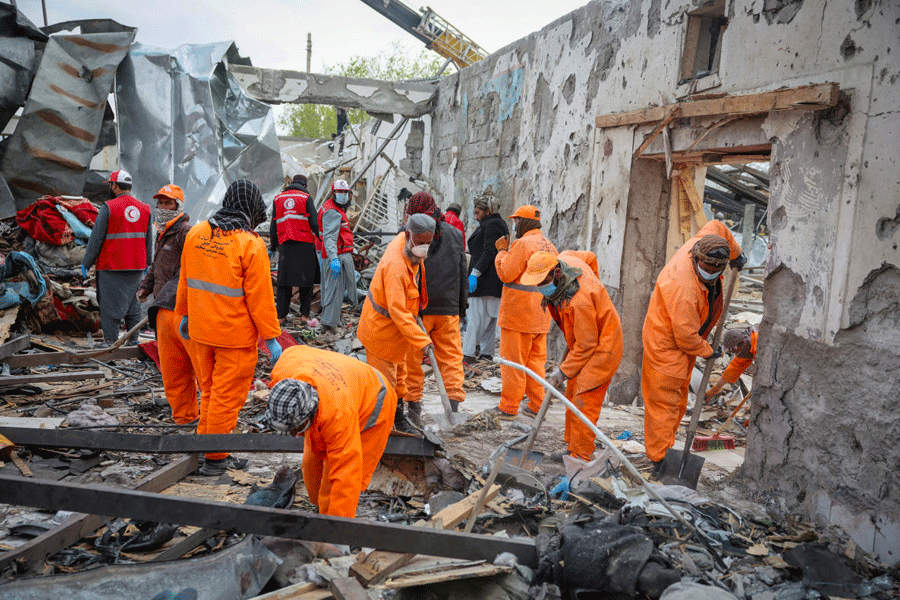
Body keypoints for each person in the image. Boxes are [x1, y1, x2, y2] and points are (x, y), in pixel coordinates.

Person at [175, 180, 282, 476]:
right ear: (250, 208)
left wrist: (183, 315)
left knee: (208, 393)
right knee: (225, 399)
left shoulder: (196, 232)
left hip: (199, 332)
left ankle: (205, 449)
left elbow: (185, 280)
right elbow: (261, 299)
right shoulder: (249, 244)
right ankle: (216, 459)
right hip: (233, 338)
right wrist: (272, 337)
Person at [641, 220, 744, 472]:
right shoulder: (684, 289)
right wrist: (709, 351)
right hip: (667, 345)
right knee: (664, 404)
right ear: (696, 256)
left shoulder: (707, 240)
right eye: (705, 266)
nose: (709, 271)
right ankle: (659, 458)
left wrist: (737, 254)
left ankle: (667, 446)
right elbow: (685, 337)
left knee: (678, 402)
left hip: (683, 340)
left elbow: (717, 225)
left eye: (716, 268)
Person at [266, 345, 397, 518]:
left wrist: (336, 530)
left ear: (309, 414)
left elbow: (346, 476)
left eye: (295, 429)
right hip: (345, 381)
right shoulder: (283, 374)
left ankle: (332, 524)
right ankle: (319, 509)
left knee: (336, 478)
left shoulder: (337, 416)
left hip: (375, 400)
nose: (293, 435)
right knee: (310, 465)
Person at [520, 250, 623, 461]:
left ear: (557, 272)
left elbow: (587, 345)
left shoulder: (580, 301)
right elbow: (590, 256)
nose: (540, 287)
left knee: (584, 399)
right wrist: (597, 286)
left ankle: (580, 455)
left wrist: (562, 371)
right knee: (572, 392)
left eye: (543, 281)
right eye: (536, 283)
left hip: (603, 346)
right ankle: (571, 446)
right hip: (583, 339)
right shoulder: (567, 258)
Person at [356, 213, 435, 430]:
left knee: (400, 378)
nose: (424, 248)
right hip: (380, 333)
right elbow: (398, 312)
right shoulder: (396, 267)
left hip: (395, 334)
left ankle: (399, 421)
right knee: (385, 386)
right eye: (420, 243)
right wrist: (423, 341)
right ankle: (381, 429)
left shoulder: (408, 248)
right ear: (409, 235)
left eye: (428, 243)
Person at [401, 193, 467, 429]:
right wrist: (461, 307)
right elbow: (461, 269)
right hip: (448, 308)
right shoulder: (455, 233)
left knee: (413, 360)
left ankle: (413, 411)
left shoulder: (410, 233)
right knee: (451, 358)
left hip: (420, 309)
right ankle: (454, 411)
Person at [136, 185, 197, 424]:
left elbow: (187, 271)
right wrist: (146, 286)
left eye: (168, 203)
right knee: (173, 372)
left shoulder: (185, 232)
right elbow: (156, 265)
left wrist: (167, 296)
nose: (162, 208)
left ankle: (212, 423)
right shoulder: (163, 232)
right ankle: (184, 418)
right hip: (162, 310)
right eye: (160, 203)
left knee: (196, 369)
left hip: (181, 310)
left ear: (178, 207)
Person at [490, 204, 557, 419]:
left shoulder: (522, 244)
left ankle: (508, 407)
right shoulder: (549, 245)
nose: (514, 224)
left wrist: (501, 251)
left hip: (518, 314)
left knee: (513, 363)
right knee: (535, 363)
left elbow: (506, 274)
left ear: (524, 222)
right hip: (541, 315)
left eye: (517, 221)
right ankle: (538, 406)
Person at [81, 170, 152, 344]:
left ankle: (111, 344)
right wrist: (148, 263)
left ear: (114, 185)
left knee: (110, 309)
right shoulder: (145, 208)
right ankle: (134, 342)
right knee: (134, 307)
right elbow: (148, 239)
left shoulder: (108, 207)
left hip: (112, 267)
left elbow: (96, 238)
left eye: (110, 185)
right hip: (137, 268)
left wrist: (86, 262)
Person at [462, 193, 508, 364]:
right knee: (489, 319)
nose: (476, 217)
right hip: (494, 281)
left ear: (487, 211)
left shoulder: (491, 225)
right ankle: (486, 353)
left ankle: (468, 354)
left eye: (478, 212)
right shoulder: (499, 224)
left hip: (484, 280)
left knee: (475, 317)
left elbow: (489, 251)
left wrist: (475, 273)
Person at [271, 174, 319, 325]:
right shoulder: (305, 197)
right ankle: (304, 316)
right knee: (306, 282)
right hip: (305, 244)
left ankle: (281, 316)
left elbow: (274, 225)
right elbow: (314, 223)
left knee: (284, 283)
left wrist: (273, 246)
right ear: (304, 185)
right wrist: (321, 239)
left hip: (285, 245)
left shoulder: (278, 199)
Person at [318, 179, 357, 338]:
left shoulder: (331, 207)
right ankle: (329, 325)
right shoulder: (333, 212)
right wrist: (334, 259)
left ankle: (330, 322)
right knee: (334, 292)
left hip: (334, 256)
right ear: (333, 193)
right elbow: (329, 238)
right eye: (340, 192)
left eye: (345, 193)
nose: (343, 195)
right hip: (335, 257)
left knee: (332, 290)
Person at [705, 325, 758, 399]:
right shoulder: (745, 349)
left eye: (735, 350)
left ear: (741, 343)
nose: (735, 354)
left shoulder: (758, 344)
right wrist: (715, 389)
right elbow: (732, 370)